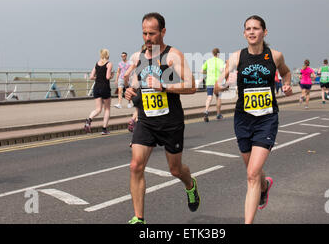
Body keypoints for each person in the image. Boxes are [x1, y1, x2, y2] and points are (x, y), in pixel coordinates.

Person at [214, 15, 293, 224]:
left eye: (256, 28)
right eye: (248, 29)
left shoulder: (275, 56)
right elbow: (218, 82)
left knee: (251, 175)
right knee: (253, 171)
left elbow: (286, 73)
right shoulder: (237, 57)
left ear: (264, 32)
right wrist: (220, 85)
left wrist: (286, 85)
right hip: (243, 119)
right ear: (244, 33)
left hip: (266, 119)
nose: (251, 32)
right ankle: (265, 186)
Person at [124, 12, 199, 224]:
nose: (147, 38)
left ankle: (190, 185)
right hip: (146, 122)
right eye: (144, 33)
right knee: (135, 166)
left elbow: (192, 86)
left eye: (152, 33)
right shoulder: (138, 57)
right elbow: (137, 86)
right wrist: (130, 93)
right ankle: (139, 219)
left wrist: (164, 86)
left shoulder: (172, 55)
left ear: (163, 32)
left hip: (170, 123)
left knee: (175, 170)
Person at [84, 49, 113, 135]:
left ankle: (89, 120)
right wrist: (112, 76)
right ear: (108, 55)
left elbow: (91, 77)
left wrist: (98, 77)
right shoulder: (109, 64)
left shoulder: (97, 63)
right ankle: (104, 129)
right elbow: (107, 77)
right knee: (107, 109)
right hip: (105, 88)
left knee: (98, 109)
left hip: (96, 87)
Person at [202, 48, 225, 122]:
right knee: (218, 97)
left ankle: (206, 111)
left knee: (209, 97)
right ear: (218, 54)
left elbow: (202, 71)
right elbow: (222, 70)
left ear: (212, 53)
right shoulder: (220, 61)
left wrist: (207, 73)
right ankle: (218, 114)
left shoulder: (208, 61)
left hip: (209, 81)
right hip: (218, 82)